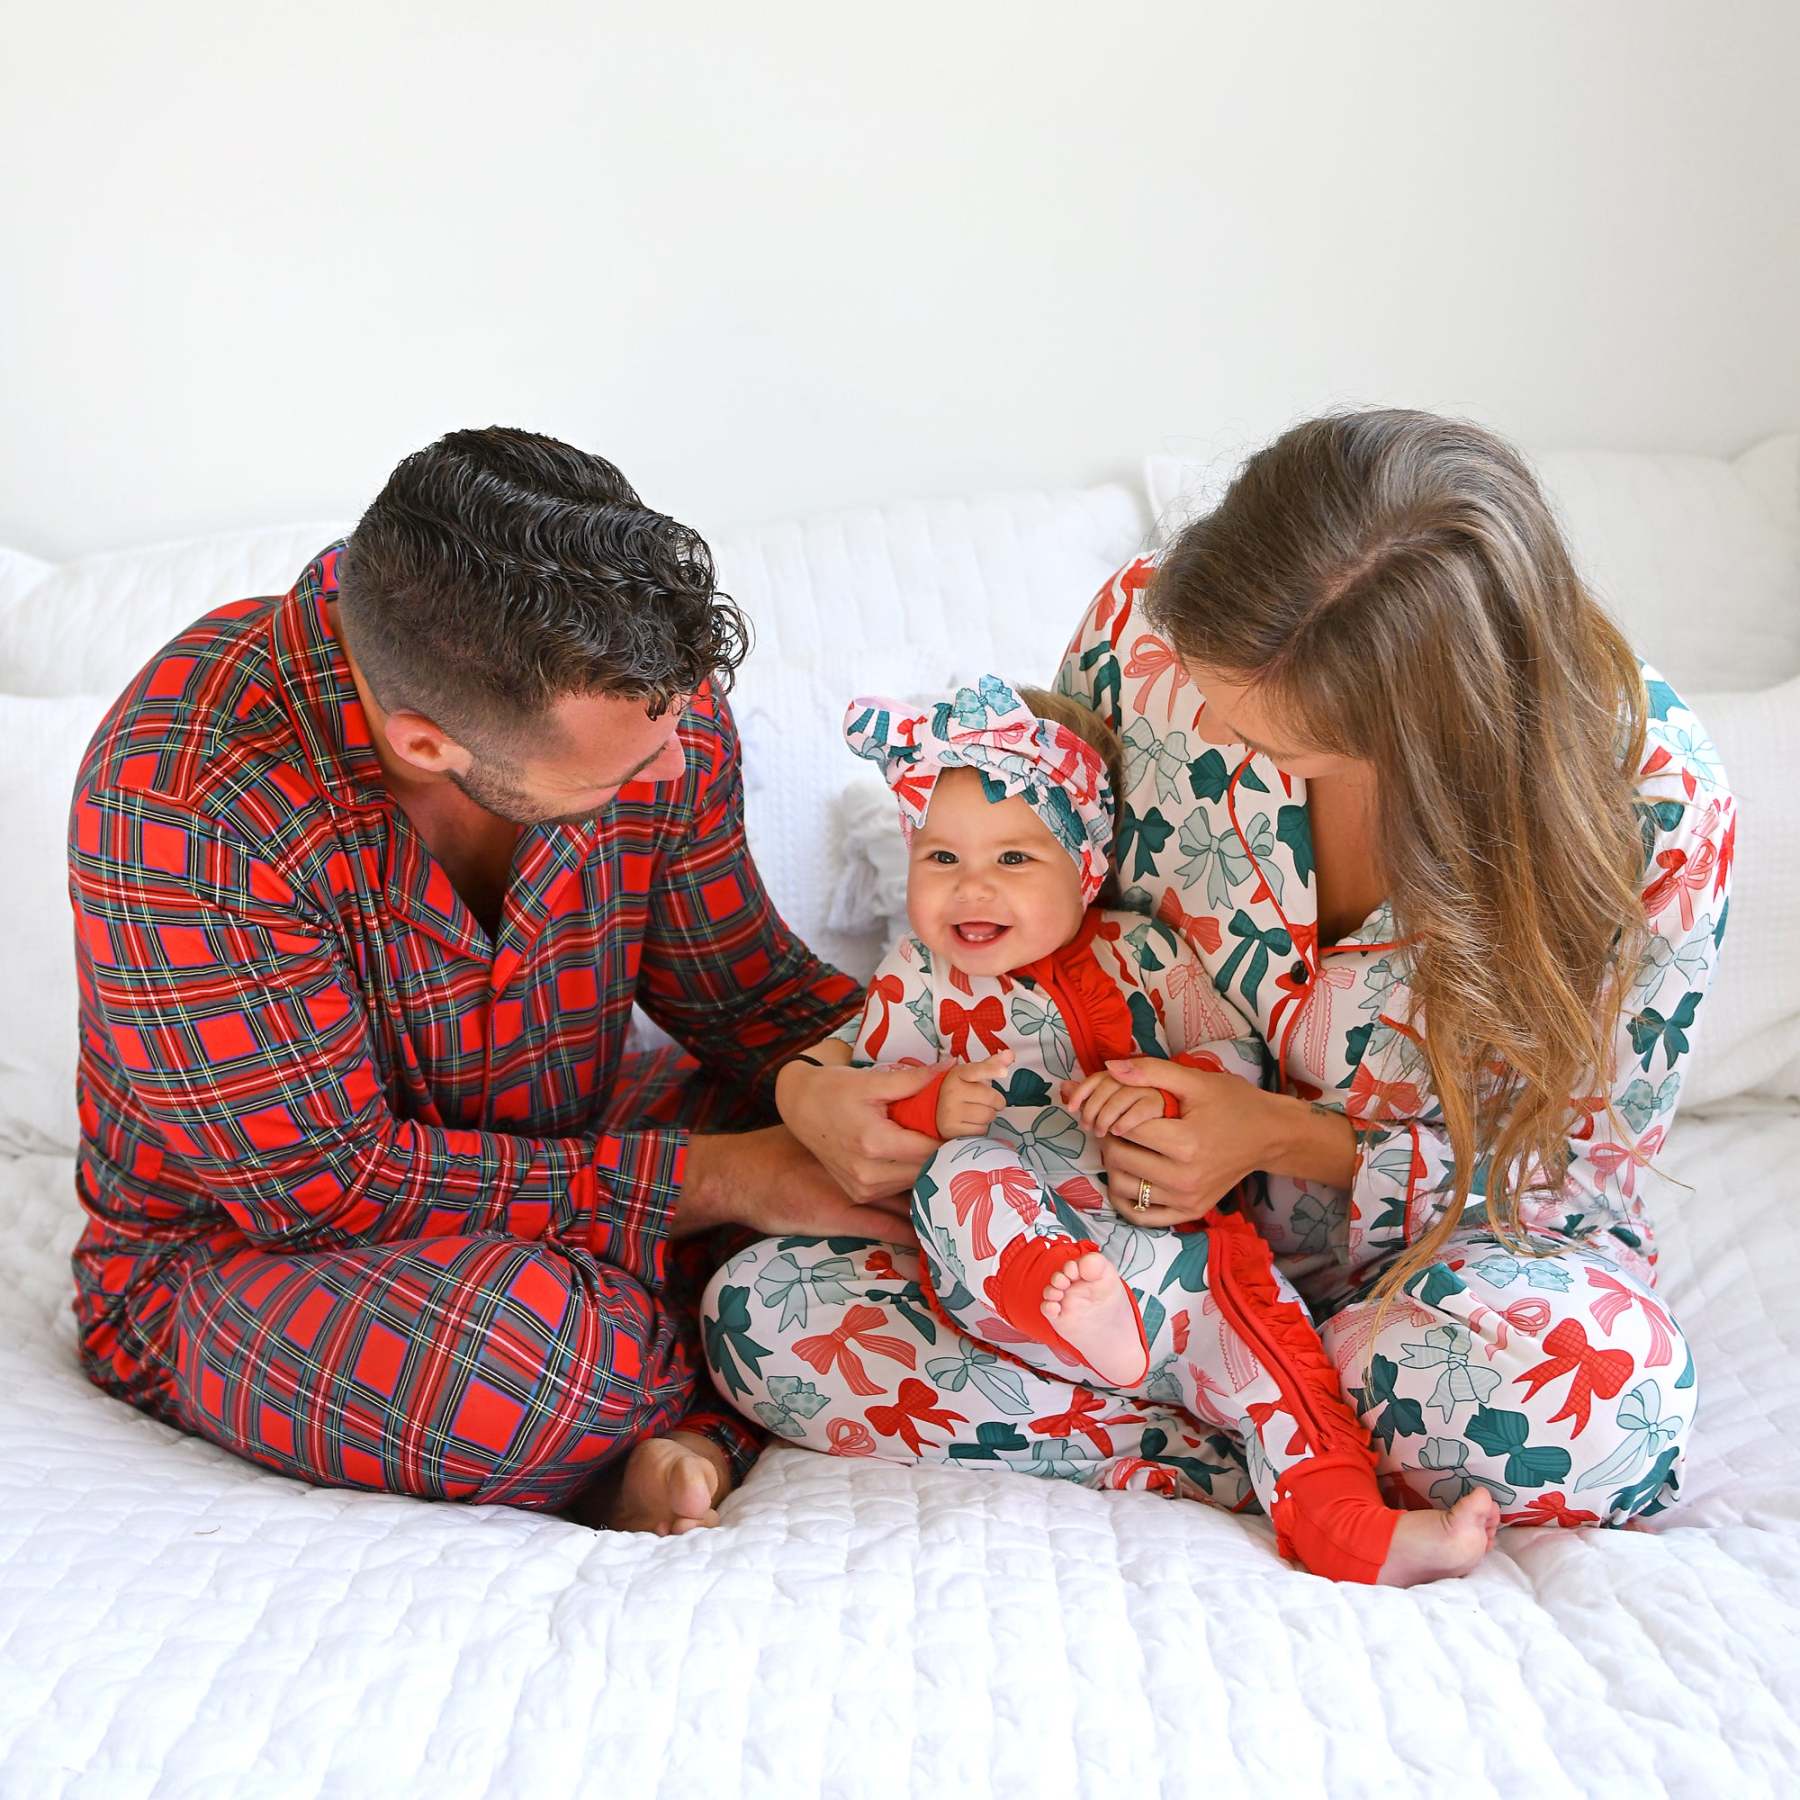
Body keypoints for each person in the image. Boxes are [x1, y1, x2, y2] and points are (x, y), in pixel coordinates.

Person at [728, 409, 1731, 1532]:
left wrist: (1277, 1137)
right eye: (1213, 699)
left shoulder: (1651, 800)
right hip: (1122, 1246)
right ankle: (1293, 1440)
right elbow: (1037, 927)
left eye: (1283, 741)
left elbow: (1579, 1168)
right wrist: (814, 1086)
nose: (1225, 735)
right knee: (768, 1319)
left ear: (1428, 718)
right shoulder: (1143, 629)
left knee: (1603, 1406)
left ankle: (1265, 1414)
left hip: (1432, 1267)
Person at [66, 426, 929, 1533]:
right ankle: (717, 1386)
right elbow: (327, 1191)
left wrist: (935, 1090)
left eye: (682, 717)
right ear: (428, 745)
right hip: (267, 1256)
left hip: (576, 1152)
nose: (681, 760)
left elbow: (744, 994)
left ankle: (677, 1406)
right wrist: (723, 1184)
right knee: (516, 1362)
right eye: (625, 769)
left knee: (910, 1157)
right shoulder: (184, 797)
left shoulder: (643, 698)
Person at [707, 675, 1498, 1580]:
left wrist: (1166, 1098)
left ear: (1084, 864)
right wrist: (928, 1108)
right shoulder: (914, 982)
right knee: (961, 1172)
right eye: (941, 857)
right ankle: (1085, 1320)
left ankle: (1356, 1531)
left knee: (1289, 1377)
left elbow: (1230, 1058)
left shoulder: (1146, 952)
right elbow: (873, 1113)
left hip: (1178, 1271)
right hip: (1002, 1287)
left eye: (1014, 858)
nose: (972, 888)